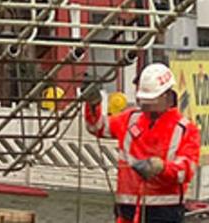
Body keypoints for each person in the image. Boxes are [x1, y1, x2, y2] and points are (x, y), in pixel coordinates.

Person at [83, 62, 202, 223]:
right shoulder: (130, 119)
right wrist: (93, 104)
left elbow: (186, 170)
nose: (145, 105)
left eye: (150, 100)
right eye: (143, 100)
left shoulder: (185, 129)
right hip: (127, 208)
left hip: (164, 211)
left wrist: (161, 167)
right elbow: (97, 127)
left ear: (167, 96)